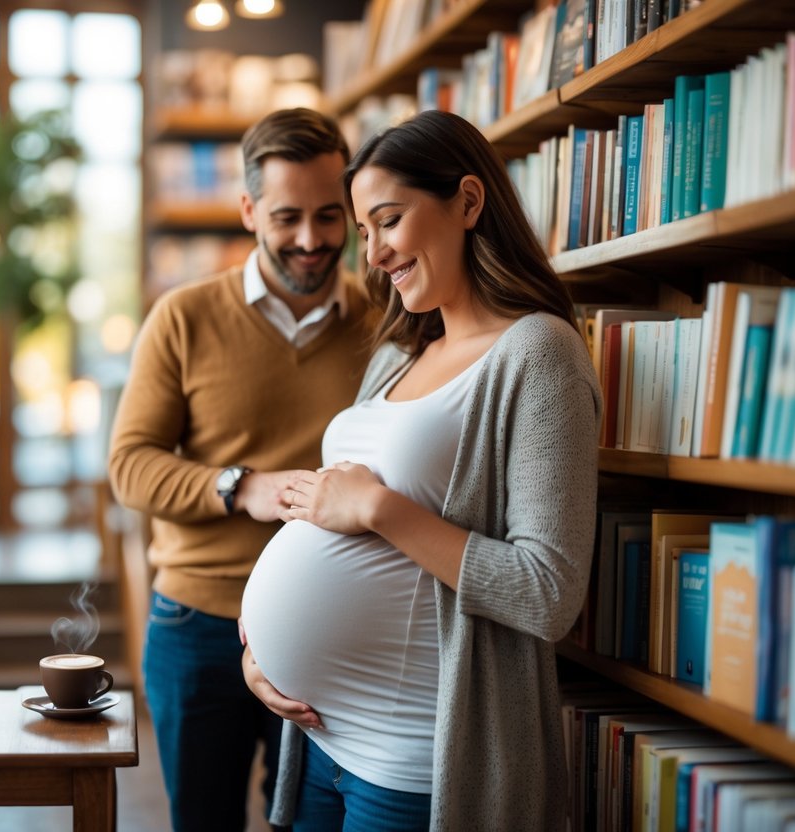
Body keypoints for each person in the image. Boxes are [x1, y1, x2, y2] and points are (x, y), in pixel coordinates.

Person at [239, 109, 602, 832]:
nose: (370, 253)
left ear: (467, 202)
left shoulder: (537, 354)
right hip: (315, 741)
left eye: (388, 220)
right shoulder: (394, 357)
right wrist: (260, 652)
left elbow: (547, 593)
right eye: (363, 230)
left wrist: (379, 511)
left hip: (411, 759)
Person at [108, 108, 378, 831]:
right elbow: (129, 468)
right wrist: (241, 486)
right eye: (286, 216)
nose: (311, 240)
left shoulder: (388, 320)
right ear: (247, 209)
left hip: (332, 622)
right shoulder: (182, 317)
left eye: (330, 215)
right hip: (199, 621)